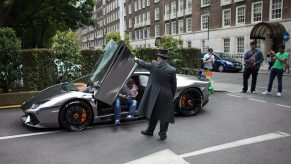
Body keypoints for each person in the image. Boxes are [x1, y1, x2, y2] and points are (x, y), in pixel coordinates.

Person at [134, 49, 177, 140]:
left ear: (158, 57)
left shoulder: (154, 64)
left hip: (154, 94)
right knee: (164, 116)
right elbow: (174, 86)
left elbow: (144, 63)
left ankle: (150, 131)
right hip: (167, 95)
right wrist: (171, 97)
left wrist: (136, 59)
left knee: (153, 113)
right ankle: (162, 134)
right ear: (166, 58)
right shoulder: (172, 70)